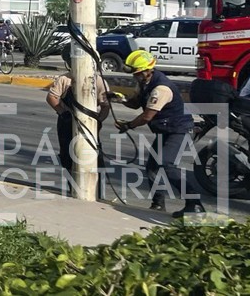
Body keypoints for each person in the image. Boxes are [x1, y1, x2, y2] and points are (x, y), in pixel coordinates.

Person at [115, 49, 204, 217]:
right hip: (165, 131)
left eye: (138, 73)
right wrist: (119, 98)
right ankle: (158, 204)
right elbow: (135, 103)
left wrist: (128, 125)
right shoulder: (145, 83)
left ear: (149, 70)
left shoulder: (161, 88)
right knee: (153, 167)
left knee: (166, 164)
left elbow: (147, 116)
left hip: (179, 130)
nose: (136, 76)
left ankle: (195, 204)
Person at [46, 70, 111, 195]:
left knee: (94, 158)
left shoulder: (98, 81)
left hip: (89, 125)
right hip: (66, 124)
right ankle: (74, 190)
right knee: (68, 156)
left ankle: (98, 193)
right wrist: (64, 114)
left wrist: (98, 122)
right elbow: (51, 97)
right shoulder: (64, 79)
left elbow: (105, 105)